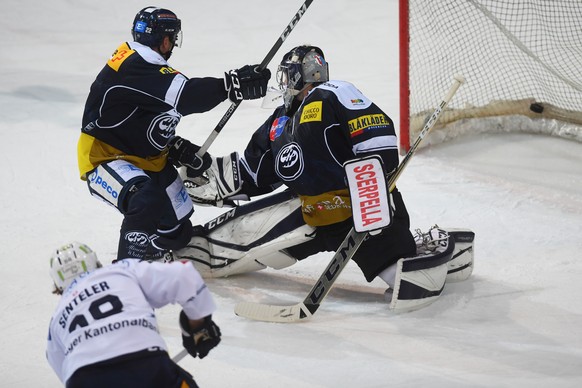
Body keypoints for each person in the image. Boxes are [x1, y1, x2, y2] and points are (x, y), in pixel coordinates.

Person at [176, 45, 475, 311]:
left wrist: (371, 191)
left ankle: (439, 252)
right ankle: (178, 251)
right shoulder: (279, 121)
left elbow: (378, 137)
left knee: (408, 282)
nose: (283, 85)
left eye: (285, 77)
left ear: (295, 76)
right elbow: (252, 174)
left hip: (360, 213)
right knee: (220, 243)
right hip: (309, 213)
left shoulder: (333, 93)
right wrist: (203, 177)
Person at [77, 6, 271, 262]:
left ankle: (150, 250)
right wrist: (230, 84)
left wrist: (174, 145)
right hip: (107, 157)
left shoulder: (142, 66)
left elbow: (139, 118)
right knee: (145, 201)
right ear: (166, 39)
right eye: (173, 39)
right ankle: (126, 273)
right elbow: (188, 97)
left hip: (144, 156)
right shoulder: (137, 62)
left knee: (177, 231)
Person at [46, 242, 221, 388]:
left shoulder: (56, 320)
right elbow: (184, 275)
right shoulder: (122, 270)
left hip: (83, 379)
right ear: (96, 263)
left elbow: (61, 367)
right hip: (144, 364)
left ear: (58, 285)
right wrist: (199, 326)